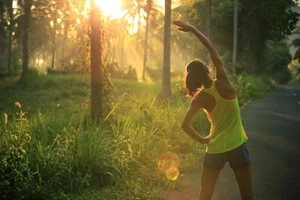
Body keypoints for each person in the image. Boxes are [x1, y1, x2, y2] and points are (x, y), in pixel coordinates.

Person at [173, 20, 254, 200]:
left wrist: (203, 140)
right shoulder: (223, 81)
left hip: (214, 149)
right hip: (237, 146)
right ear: (208, 70)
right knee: (247, 195)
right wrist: (193, 28)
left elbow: (184, 125)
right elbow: (211, 48)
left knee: (205, 195)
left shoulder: (200, 98)